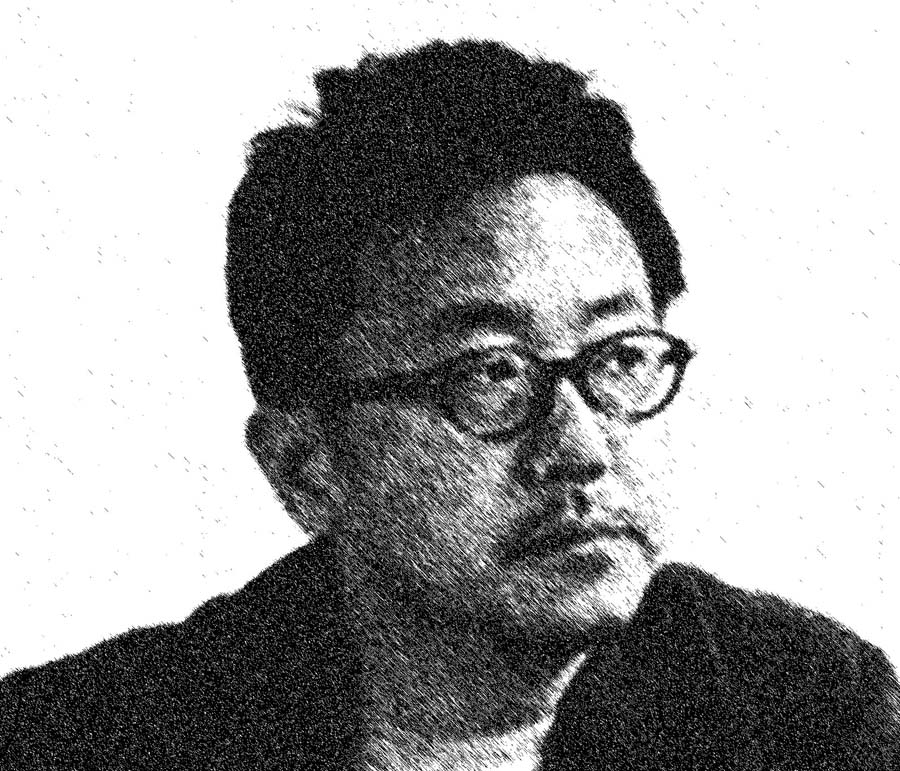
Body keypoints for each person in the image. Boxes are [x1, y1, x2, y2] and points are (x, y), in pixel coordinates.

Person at [0, 40, 897, 770]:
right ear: (308, 469)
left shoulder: (802, 710)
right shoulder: (73, 740)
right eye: (490, 373)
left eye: (621, 357)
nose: (582, 446)